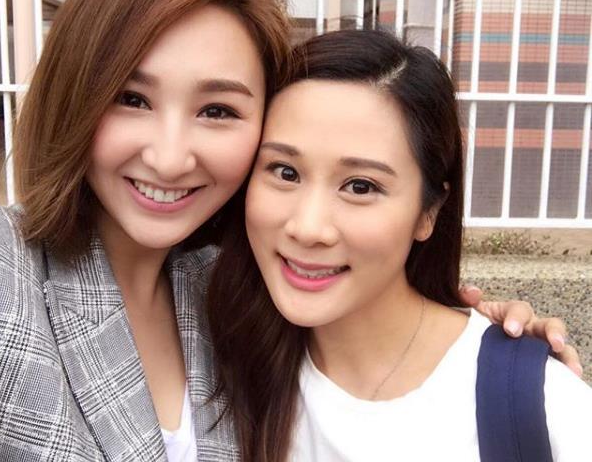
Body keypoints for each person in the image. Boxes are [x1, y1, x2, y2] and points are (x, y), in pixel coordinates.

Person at [0, 0, 580, 461]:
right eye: (132, 99)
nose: (170, 159)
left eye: (216, 110)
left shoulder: (229, 295)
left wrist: (503, 360)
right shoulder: (7, 277)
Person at [208, 29, 592, 462]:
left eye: (360, 186)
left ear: (429, 212)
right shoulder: (217, 359)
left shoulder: (542, 407)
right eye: (285, 172)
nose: (308, 227)